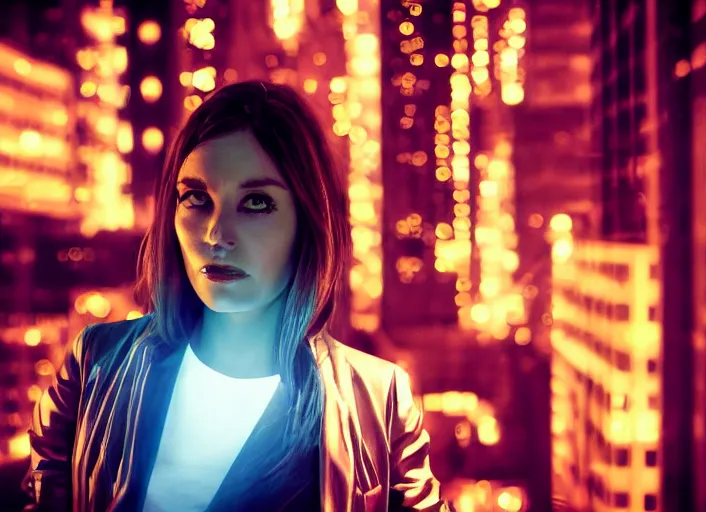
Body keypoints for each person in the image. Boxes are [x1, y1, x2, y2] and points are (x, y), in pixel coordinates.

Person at [23, 80, 452, 512]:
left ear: (308, 220)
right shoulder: (96, 363)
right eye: (196, 198)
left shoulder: (379, 398)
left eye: (257, 203)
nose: (217, 235)